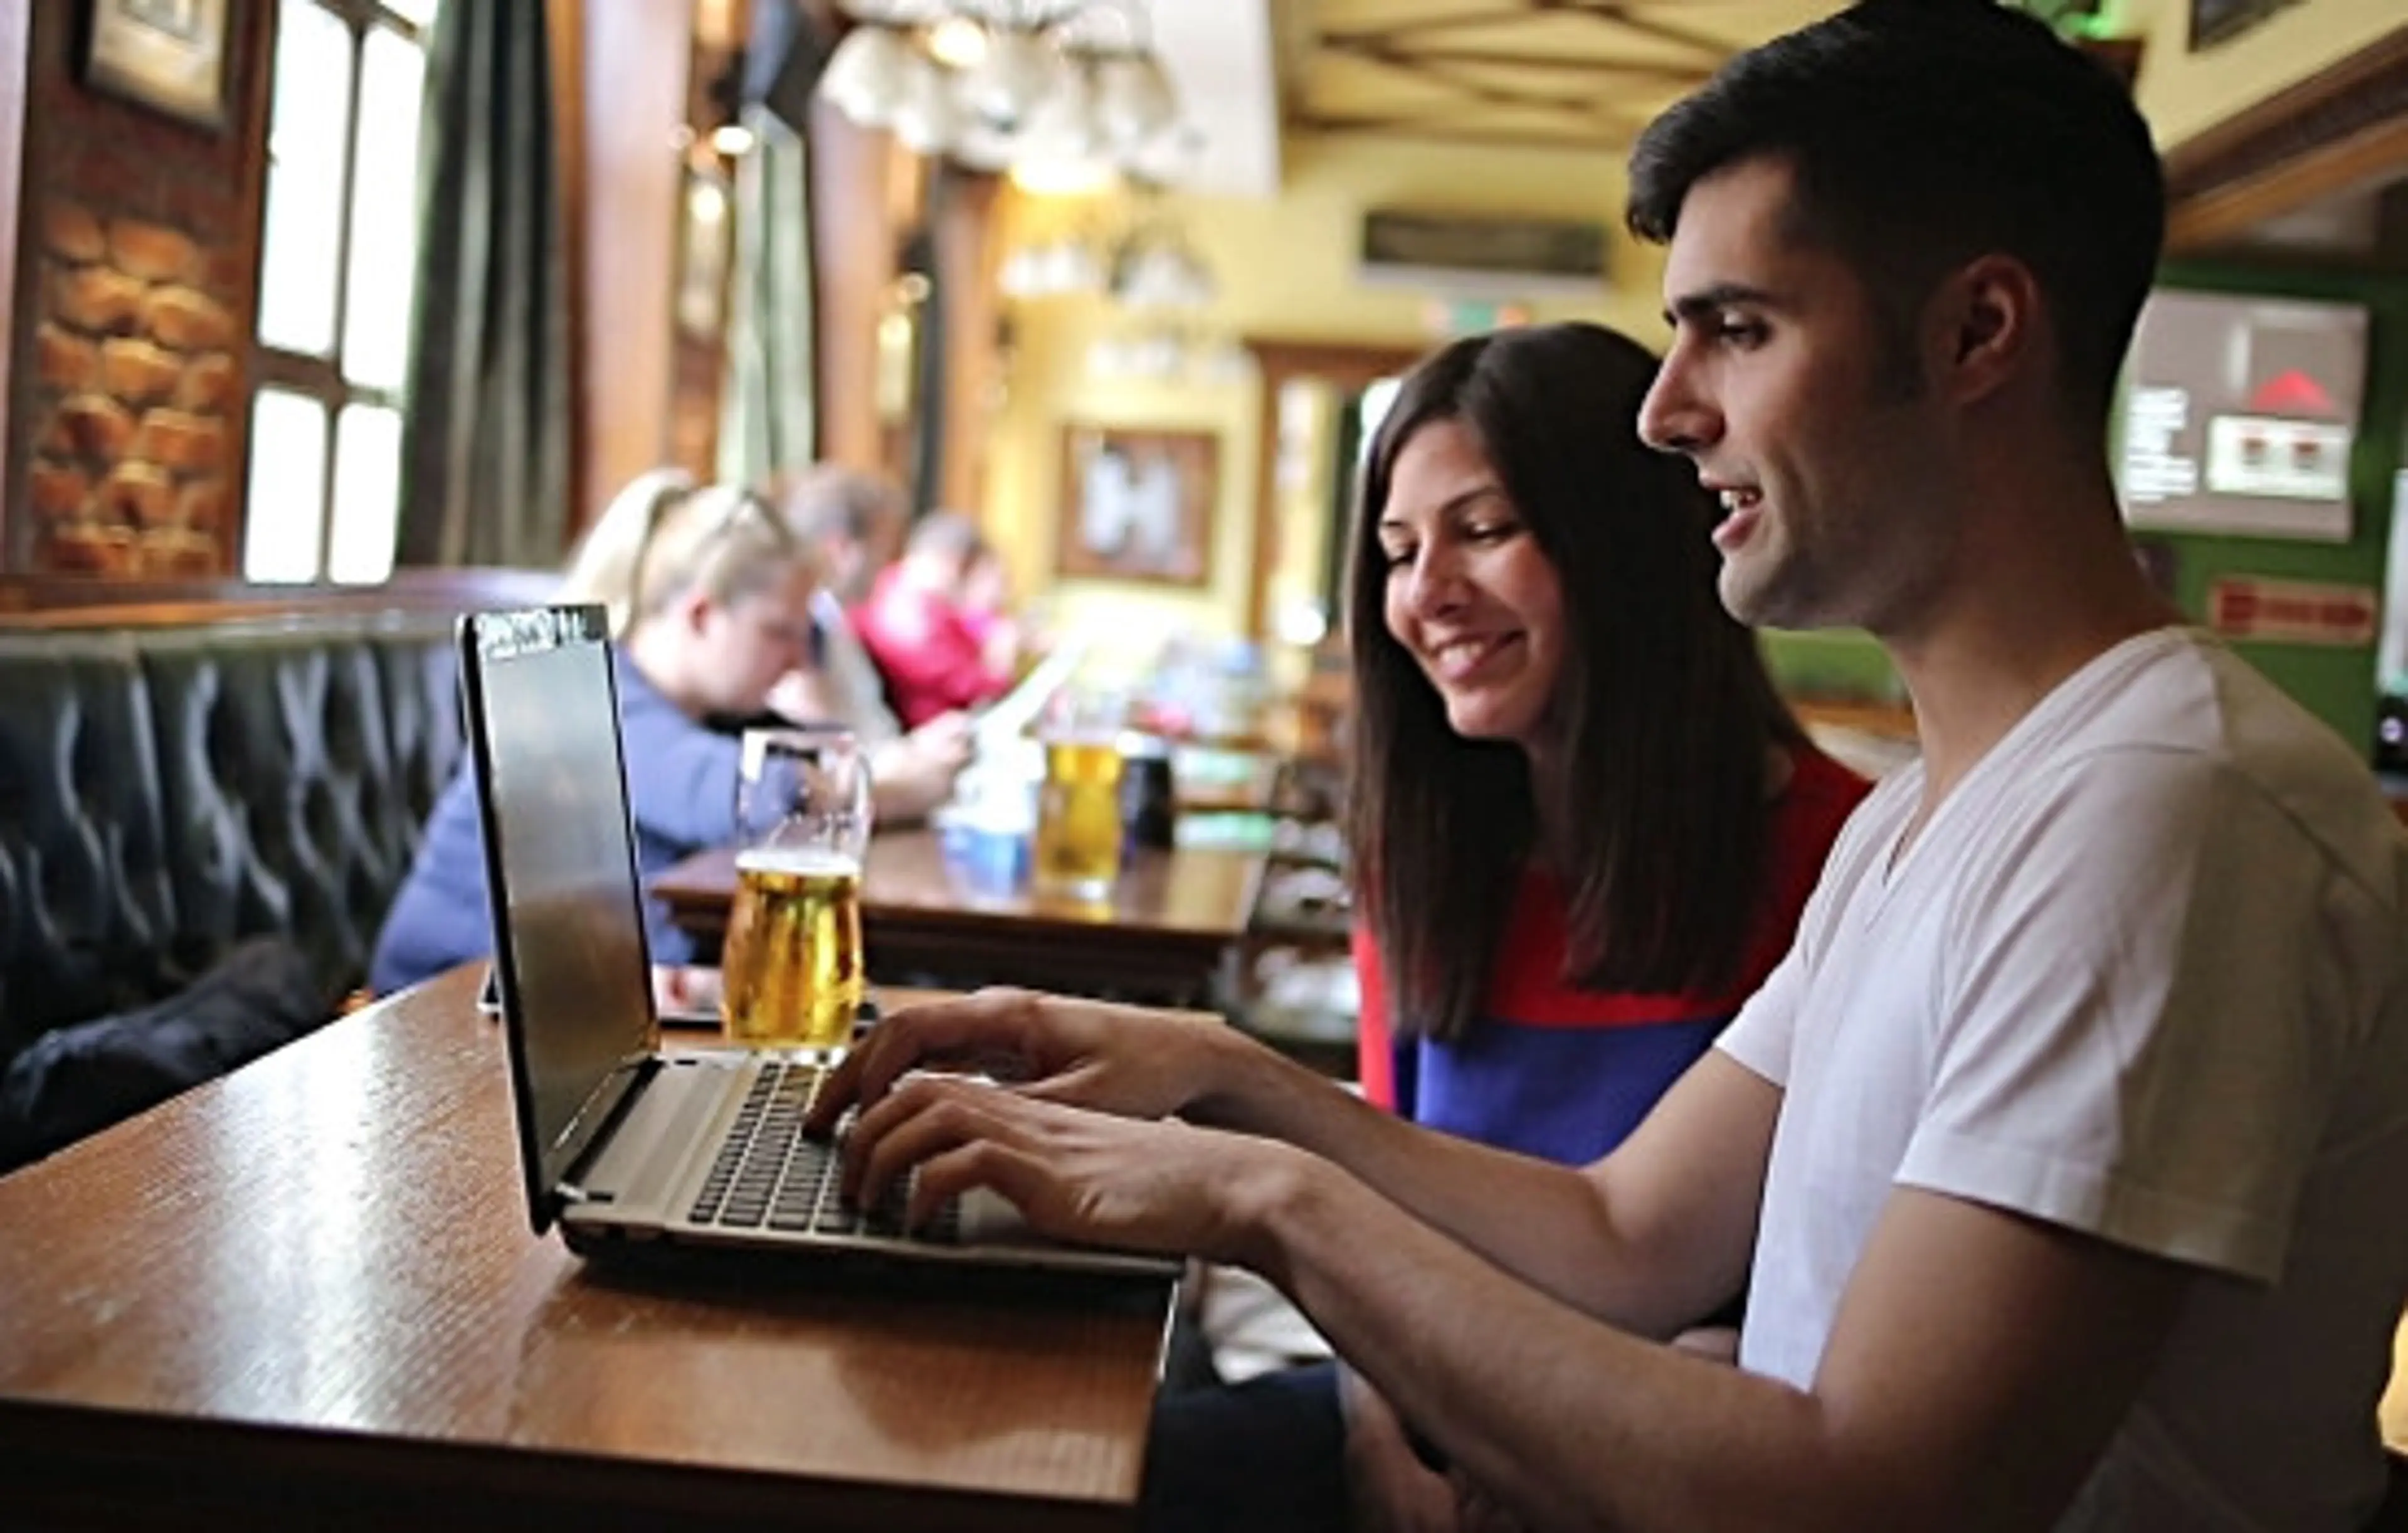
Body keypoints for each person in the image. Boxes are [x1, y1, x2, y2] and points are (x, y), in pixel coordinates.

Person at [803, 4, 2408, 1529]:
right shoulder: (1934, 813)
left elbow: (1867, 1496)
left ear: (1977, 333)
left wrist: (1264, 1198)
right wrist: (1227, 1081)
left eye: (1738, 330)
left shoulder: (2166, 809)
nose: (1664, 412)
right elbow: (1625, 1233)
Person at [1145, 322, 1867, 1532]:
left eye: (1483, 530)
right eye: (1398, 551)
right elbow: (1375, 1202)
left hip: (1691, 1451)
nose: (1427, 593)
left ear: (1629, 542)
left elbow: (1848, 1304)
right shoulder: (1424, 855)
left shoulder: (1847, 857)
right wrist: (1378, 1431)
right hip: (1426, 1397)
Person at [369, 471, 817, 994]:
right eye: (778, 632)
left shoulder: (706, 713)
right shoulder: (578, 696)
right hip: (446, 1001)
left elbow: (815, 764)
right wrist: (860, 781)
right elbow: (760, 796)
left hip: (575, 994)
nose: (799, 659)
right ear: (701, 616)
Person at [768, 466, 973, 822]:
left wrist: (917, 749)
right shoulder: (802, 634)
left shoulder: (836, 624)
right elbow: (825, 762)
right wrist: (914, 764)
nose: (887, 566)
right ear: (840, 549)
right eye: (881, 550)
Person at [850, 510, 1019, 728]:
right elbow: (970, 686)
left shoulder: (919, 602)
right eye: (967, 574)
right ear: (953, 562)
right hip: (935, 731)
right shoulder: (907, 610)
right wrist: (1001, 660)